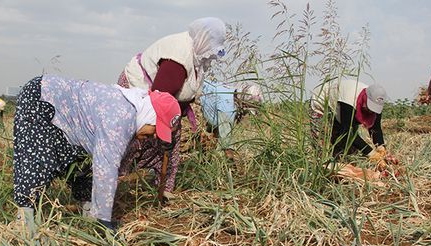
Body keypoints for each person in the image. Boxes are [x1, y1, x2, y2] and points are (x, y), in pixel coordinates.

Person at [13, 75, 180, 230]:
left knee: (82, 164)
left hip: (68, 120)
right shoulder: (120, 118)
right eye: (155, 129)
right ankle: (24, 223)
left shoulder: (133, 111)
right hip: (42, 98)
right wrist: (104, 222)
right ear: (150, 115)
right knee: (38, 159)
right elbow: (106, 168)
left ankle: (89, 215)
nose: (152, 136)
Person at [117, 17, 226, 198]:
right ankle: (113, 184)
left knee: (170, 142)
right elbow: (160, 98)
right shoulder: (178, 58)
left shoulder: (196, 53)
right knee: (137, 139)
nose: (211, 54)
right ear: (202, 39)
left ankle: (163, 190)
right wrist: (168, 126)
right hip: (144, 95)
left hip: (165, 100)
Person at [310, 79, 390, 167]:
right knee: (323, 148)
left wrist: (381, 147)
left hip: (341, 113)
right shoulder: (349, 99)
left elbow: (375, 128)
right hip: (323, 105)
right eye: (369, 107)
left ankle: (340, 168)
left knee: (348, 152)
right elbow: (347, 133)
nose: (371, 111)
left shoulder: (376, 103)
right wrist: (371, 153)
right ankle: (323, 170)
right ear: (365, 98)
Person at [200, 80, 262, 156]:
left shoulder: (229, 92)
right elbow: (227, 146)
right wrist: (234, 164)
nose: (245, 114)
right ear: (243, 104)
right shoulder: (227, 110)